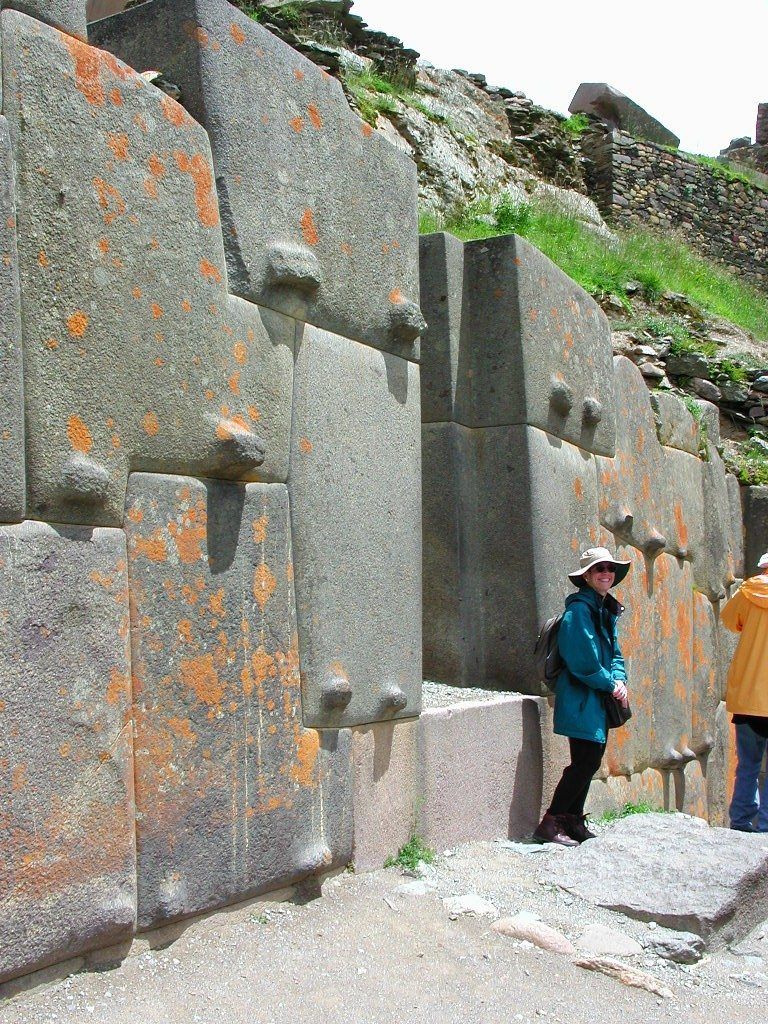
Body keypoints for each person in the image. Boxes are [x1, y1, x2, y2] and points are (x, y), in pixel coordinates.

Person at [533, 546, 631, 846]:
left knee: (590, 760)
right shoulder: (579, 611)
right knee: (584, 762)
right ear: (587, 576)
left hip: (595, 696)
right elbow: (581, 659)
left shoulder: (603, 609)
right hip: (581, 697)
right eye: (599, 569)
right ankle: (551, 821)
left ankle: (572, 820)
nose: (606, 574)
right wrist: (610, 684)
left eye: (610, 569)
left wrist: (619, 678)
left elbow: (614, 653)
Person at [721, 551, 768, 833]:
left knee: (748, 764)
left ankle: (741, 821)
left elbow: (729, 621)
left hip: (749, 695)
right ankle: (766, 826)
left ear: (762, 569)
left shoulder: (748, 591)